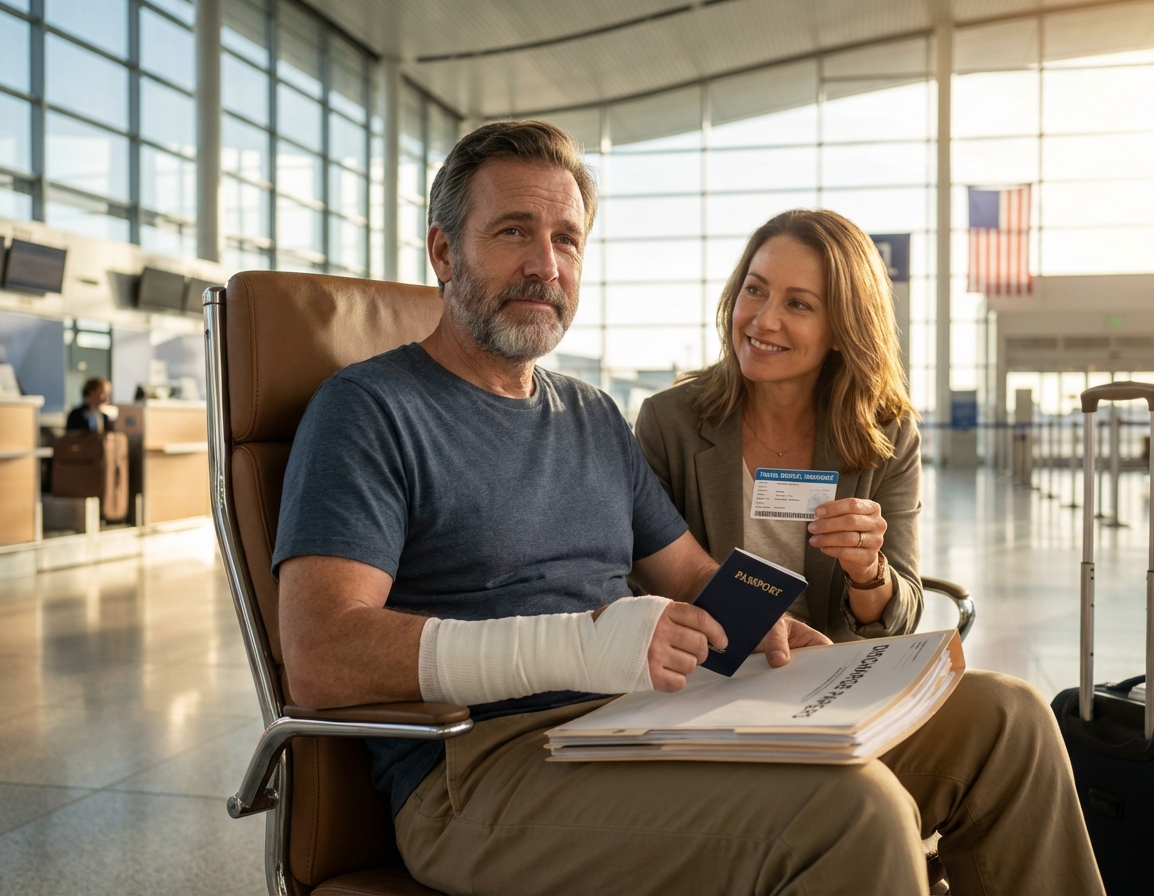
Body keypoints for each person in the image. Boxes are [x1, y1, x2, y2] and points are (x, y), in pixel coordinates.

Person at [272, 120, 1103, 896]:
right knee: (851, 814)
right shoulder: (370, 410)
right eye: (513, 231)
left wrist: (788, 642)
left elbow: (694, 574)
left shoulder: (591, 414)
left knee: (1010, 723)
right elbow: (319, 654)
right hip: (482, 768)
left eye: (567, 240)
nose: (546, 265)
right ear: (444, 253)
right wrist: (581, 647)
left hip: (642, 722)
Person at [635, 209, 919, 642]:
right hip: (714, 666)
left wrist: (867, 571)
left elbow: (900, 619)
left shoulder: (887, 435)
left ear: (844, 328)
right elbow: (644, 581)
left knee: (1014, 702)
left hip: (834, 671)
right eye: (755, 290)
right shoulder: (670, 423)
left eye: (798, 303)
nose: (763, 320)